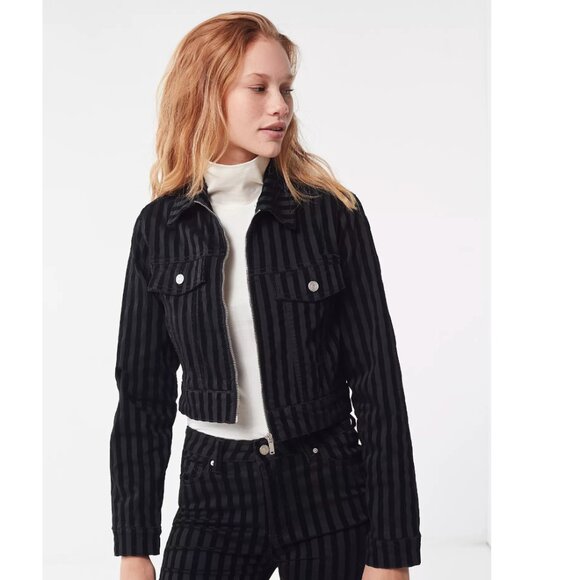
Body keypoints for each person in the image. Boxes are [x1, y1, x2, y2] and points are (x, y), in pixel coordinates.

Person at [110, 11, 421, 580]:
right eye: (258, 88)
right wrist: (134, 548)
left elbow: (379, 386)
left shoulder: (331, 215)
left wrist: (391, 550)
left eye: (286, 89)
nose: (280, 106)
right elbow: (142, 395)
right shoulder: (159, 229)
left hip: (328, 488)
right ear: (206, 93)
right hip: (212, 494)